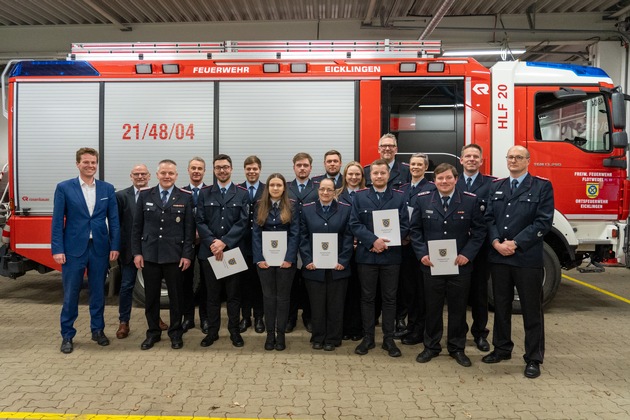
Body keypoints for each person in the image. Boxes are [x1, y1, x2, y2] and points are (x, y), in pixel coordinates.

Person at [482, 145, 554, 379]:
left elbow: (543, 222)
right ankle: (501, 349)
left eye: (518, 157)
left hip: (525, 258)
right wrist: (495, 242)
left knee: (531, 310)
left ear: (528, 161)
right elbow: (489, 218)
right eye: (510, 157)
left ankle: (533, 358)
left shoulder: (542, 186)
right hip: (499, 257)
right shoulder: (497, 186)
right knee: (501, 307)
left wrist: (515, 243)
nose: (513, 160)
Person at [411, 163, 486, 368]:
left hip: (459, 266)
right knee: (432, 308)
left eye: (448, 178)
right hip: (431, 264)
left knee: (458, 309)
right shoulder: (423, 199)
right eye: (440, 179)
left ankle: (457, 348)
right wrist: (422, 254)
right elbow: (415, 230)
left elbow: (479, 232)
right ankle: (431, 347)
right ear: (434, 181)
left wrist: (467, 255)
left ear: (455, 179)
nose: (444, 182)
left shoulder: (470, 201)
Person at [52, 147, 120, 354]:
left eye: (93, 162)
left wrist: (115, 245)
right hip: (73, 249)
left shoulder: (107, 189)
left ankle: (97, 331)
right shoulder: (64, 188)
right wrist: (58, 248)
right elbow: (57, 221)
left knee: (98, 292)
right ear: (77, 164)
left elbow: (114, 221)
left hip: (99, 248)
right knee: (71, 294)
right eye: (86, 162)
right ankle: (67, 335)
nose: (90, 166)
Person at [132, 159, 195, 350]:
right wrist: (137, 253)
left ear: (176, 175)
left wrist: (187, 255)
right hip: (150, 255)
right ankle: (153, 333)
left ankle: (175, 333)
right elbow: (137, 227)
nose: (167, 176)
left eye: (171, 173)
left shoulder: (185, 196)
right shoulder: (144, 195)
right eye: (163, 173)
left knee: (176, 298)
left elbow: (189, 230)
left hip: (174, 257)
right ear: (157, 174)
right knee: (151, 298)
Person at [349, 159, 409, 358]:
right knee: (367, 298)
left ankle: (388, 339)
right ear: (370, 176)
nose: (379, 176)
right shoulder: (359, 197)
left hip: (391, 257)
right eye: (375, 173)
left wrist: (385, 242)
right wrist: (373, 241)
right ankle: (368, 338)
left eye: (383, 173)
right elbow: (354, 224)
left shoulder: (400, 197)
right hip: (367, 256)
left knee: (390, 299)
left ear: (389, 175)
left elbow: (405, 225)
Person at [196, 154, 250, 348]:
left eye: (225, 167)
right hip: (210, 253)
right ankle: (212, 332)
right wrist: (213, 242)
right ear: (214, 170)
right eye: (218, 167)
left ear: (231, 169)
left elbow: (243, 222)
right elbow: (200, 220)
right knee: (212, 296)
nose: (222, 170)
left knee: (234, 296)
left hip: (232, 252)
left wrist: (224, 243)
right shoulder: (205, 193)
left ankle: (234, 332)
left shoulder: (242, 193)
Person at [115, 164, 169, 339]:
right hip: (129, 251)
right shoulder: (121, 196)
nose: (140, 177)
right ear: (131, 176)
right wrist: (116, 247)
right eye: (136, 174)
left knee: (152, 289)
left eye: (143, 174)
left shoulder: (156, 194)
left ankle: (155, 319)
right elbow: (117, 226)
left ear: (149, 176)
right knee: (126, 286)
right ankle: (124, 322)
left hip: (151, 251)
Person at [300, 178, 354, 351]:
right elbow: (303, 237)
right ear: (318, 191)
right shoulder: (307, 210)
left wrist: (343, 260)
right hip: (314, 268)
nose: (325, 193)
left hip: (337, 268)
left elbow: (348, 237)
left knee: (335, 305)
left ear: (335, 191)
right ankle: (318, 336)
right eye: (322, 189)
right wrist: (307, 260)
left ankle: (332, 338)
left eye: (329, 190)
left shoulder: (345, 210)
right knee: (316, 305)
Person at [252, 173, 300, 351]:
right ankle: (269, 335)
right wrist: (259, 259)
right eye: (272, 185)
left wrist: (289, 259)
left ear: (284, 188)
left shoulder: (292, 206)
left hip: (285, 263)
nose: (275, 188)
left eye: (279, 185)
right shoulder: (260, 206)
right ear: (268, 188)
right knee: (269, 298)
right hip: (265, 261)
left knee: (283, 298)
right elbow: (256, 234)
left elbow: (295, 234)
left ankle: (281, 336)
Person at [455, 144, 496, 352]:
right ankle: (458, 333)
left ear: (481, 161)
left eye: (475, 157)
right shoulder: (453, 182)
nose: (471, 159)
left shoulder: (491, 185)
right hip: (456, 249)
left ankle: (480, 334)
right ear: (461, 160)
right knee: (458, 293)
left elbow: (491, 217)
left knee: (480, 294)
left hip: (480, 249)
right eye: (467, 156)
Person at [398, 153, 436, 346]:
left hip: (422, 248)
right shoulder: (402, 189)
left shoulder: (431, 188)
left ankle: (420, 330)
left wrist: (412, 236)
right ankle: (411, 327)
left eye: (419, 164)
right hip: (404, 247)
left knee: (422, 292)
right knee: (409, 290)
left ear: (426, 167)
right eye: (412, 164)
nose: (415, 167)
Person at [286, 152, 317, 333]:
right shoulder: (286, 188)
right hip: (288, 241)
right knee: (290, 282)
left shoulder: (318, 188)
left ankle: (308, 317)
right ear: (294, 167)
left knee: (308, 283)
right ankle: (290, 318)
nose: (302, 168)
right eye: (299, 165)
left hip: (311, 242)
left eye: (305, 165)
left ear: (311, 168)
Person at [336, 161, 365, 342]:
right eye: (350, 174)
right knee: (344, 292)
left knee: (361, 291)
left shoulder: (367, 195)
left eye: (357, 175)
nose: (353, 177)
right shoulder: (337, 196)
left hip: (364, 250)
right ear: (344, 176)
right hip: (342, 251)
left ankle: (358, 328)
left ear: (362, 177)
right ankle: (344, 327)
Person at [181, 157, 209, 334]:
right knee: (185, 282)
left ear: (204, 171)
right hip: (186, 244)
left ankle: (205, 318)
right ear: (188, 170)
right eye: (193, 168)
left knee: (207, 282)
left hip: (206, 243)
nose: (196, 171)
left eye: (200, 168)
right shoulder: (181, 192)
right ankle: (188, 317)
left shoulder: (210, 191)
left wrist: (203, 234)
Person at [239, 155, 266, 334]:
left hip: (261, 244)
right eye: (248, 169)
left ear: (259, 170)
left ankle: (258, 318)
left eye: (255, 169)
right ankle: (245, 317)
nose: (251, 172)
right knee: (242, 283)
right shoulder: (238, 189)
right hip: (240, 244)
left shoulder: (267, 189)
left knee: (259, 283)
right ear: (245, 170)